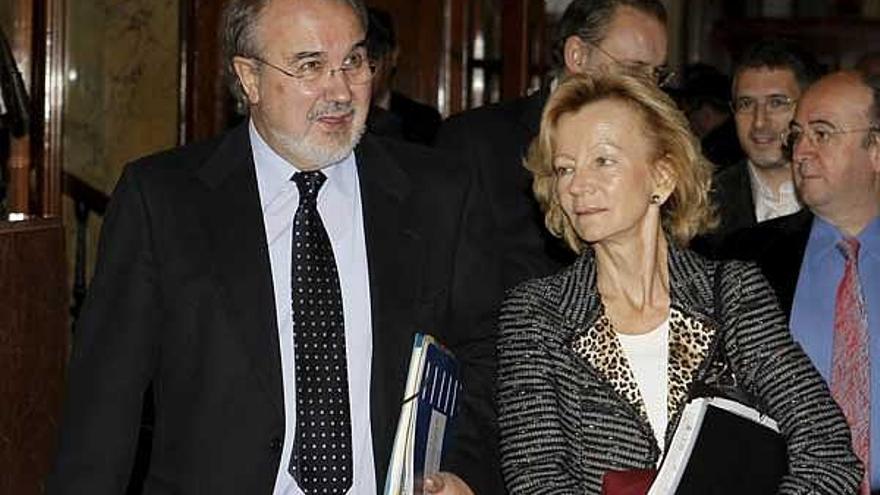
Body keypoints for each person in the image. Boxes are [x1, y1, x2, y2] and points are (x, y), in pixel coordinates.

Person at [45, 0, 500, 493]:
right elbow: (103, 407)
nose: (342, 90)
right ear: (249, 79)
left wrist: (464, 472)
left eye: (353, 61)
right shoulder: (163, 201)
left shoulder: (437, 194)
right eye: (310, 66)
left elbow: (488, 355)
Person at [495, 72, 862, 494]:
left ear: (662, 177)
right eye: (564, 168)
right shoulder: (537, 313)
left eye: (603, 160)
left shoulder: (732, 294)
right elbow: (536, 481)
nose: (578, 185)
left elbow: (827, 447)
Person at [435, 0, 670, 291]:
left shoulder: (660, 149)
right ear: (577, 55)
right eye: (635, 70)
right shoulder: (476, 142)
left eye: (657, 74)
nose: (648, 88)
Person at [723, 70, 880, 493]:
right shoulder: (743, 259)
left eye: (822, 134)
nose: (801, 151)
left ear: (877, 149)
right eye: (798, 135)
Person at [708, 39, 821, 242]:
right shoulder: (703, 204)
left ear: (809, 107)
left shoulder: (842, 197)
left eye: (776, 103)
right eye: (746, 104)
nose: (759, 122)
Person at [364, 7, 442, 145]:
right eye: (354, 62)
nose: (363, 75)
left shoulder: (424, 121)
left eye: (371, 64)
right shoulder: (337, 117)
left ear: (393, 56)